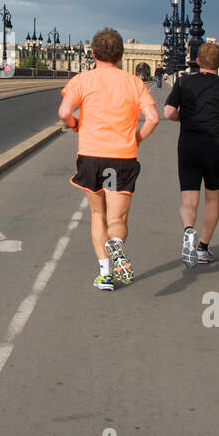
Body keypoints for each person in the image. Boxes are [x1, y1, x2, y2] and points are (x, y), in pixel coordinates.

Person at [58, 28, 160, 291]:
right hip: (122, 158)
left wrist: (76, 125)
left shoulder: (82, 80)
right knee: (118, 220)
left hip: (91, 156)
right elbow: (153, 118)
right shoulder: (134, 83)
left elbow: (64, 112)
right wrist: (136, 138)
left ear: (93, 53)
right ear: (121, 55)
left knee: (96, 214)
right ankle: (116, 244)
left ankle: (105, 273)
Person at [163, 43, 219, 267]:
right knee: (212, 199)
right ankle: (203, 248)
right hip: (215, 148)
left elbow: (168, 112)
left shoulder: (184, 82)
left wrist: (182, 118)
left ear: (197, 61)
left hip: (188, 145)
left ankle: (189, 230)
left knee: (189, 200)